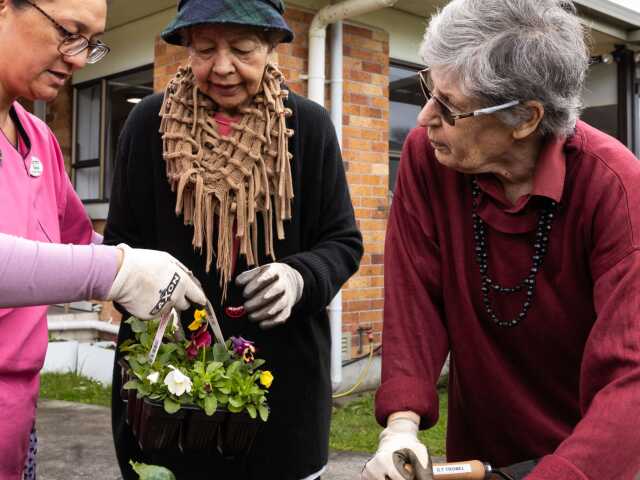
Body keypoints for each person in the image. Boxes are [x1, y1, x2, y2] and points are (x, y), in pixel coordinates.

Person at [362, 0, 640, 479]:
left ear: (526, 119)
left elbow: (631, 379)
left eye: (449, 107)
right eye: (431, 89)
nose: (426, 116)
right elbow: (415, 297)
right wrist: (401, 427)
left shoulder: (616, 190)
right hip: (479, 448)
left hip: (589, 461)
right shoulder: (429, 157)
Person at [104, 0, 363, 479]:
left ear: (270, 47)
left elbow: (342, 242)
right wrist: (150, 291)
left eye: (242, 49)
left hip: (284, 405)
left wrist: (300, 277)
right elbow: (119, 245)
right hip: (167, 405)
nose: (222, 67)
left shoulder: (307, 127)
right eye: (204, 49)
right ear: (186, 48)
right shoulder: (148, 126)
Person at [0, 1, 208, 478]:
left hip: (16, 428)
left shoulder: (37, 137)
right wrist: (119, 271)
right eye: (69, 32)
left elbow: (76, 243)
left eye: (89, 43)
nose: (76, 58)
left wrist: (154, 273)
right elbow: (100, 267)